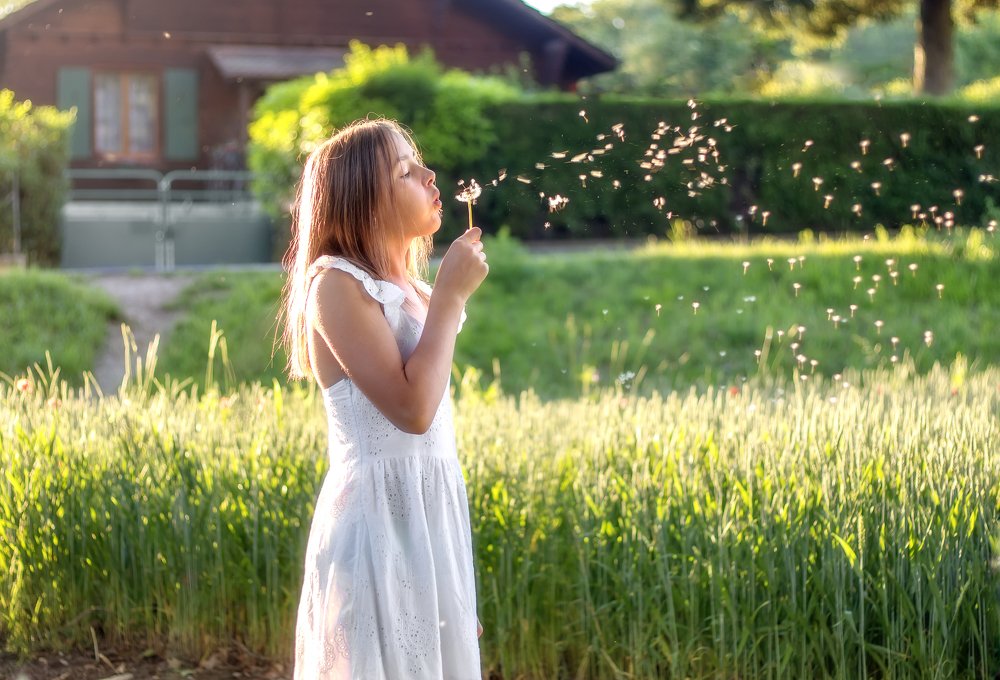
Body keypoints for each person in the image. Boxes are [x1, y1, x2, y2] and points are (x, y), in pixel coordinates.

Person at [280, 118, 489, 679]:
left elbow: (433, 447)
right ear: (364, 201)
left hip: (429, 523)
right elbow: (412, 410)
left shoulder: (415, 294)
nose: (429, 175)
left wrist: (453, 581)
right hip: (373, 532)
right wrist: (449, 298)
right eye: (405, 171)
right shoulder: (336, 286)